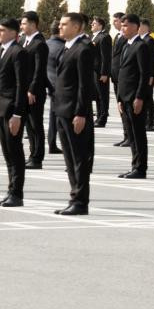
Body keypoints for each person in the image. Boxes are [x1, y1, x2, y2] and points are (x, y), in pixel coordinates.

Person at [51, 11, 95, 214]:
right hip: (62, 109)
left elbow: (84, 86)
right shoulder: (67, 47)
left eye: (64, 24)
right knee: (69, 158)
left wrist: (81, 113)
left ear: (77, 27)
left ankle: (80, 201)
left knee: (79, 159)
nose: (60, 27)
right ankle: (74, 196)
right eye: (60, 24)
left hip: (74, 112)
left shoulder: (84, 49)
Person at [0, 19, 29, 207]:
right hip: (0, 109)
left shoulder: (19, 52)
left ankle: (17, 193)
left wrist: (18, 114)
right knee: (7, 153)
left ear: (14, 34)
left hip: (12, 110)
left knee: (15, 152)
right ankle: (10, 190)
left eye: (2, 30)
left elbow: (21, 86)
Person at [113, 13, 154, 180]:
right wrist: (119, 99)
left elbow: (144, 75)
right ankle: (134, 166)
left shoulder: (141, 46)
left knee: (138, 134)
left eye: (126, 25)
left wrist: (139, 97)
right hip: (125, 97)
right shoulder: (126, 45)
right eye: (122, 25)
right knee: (131, 134)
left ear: (136, 27)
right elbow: (123, 74)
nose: (123, 28)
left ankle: (140, 168)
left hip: (135, 97)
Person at [20, 11, 49, 169]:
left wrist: (32, 89)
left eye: (24, 23)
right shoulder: (25, 40)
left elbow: (39, 70)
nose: (22, 26)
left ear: (32, 24)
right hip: (24, 90)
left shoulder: (39, 43)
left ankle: (37, 157)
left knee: (35, 124)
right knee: (29, 126)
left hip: (34, 91)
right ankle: (32, 154)